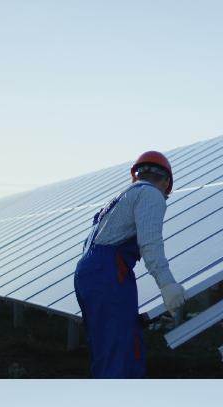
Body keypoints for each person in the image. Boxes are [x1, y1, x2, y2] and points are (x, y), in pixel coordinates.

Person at [73, 151, 184, 378]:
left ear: (135, 176)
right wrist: (167, 284)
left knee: (105, 346)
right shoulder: (151, 194)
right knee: (121, 348)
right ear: (166, 183)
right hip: (109, 272)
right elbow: (150, 242)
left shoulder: (120, 198)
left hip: (89, 270)